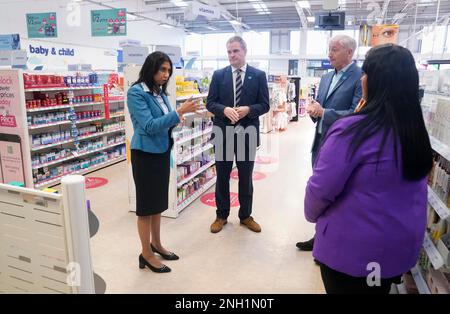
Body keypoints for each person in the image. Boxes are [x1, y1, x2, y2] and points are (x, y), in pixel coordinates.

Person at [304, 44, 433, 293]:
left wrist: (311, 216)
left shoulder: (352, 131)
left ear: (376, 83)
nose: (362, 79)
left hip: (353, 252)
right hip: (396, 250)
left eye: (366, 74)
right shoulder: (415, 132)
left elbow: (320, 190)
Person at [127, 51, 199, 273]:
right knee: (145, 207)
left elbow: (163, 123)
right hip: (145, 155)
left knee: (157, 203)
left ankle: (156, 244)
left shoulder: (160, 93)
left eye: (168, 71)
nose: (165, 75)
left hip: (161, 152)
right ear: (151, 69)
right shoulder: (136, 93)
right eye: (162, 70)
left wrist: (177, 120)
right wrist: (177, 113)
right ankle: (145, 253)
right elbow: (148, 126)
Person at [296, 35, 362, 251]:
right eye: (329, 49)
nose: (329, 54)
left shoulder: (359, 77)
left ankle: (334, 241)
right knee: (321, 190)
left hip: (342, 146)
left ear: (349, 52)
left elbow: (356, 114)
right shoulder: (325, 78)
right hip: (320, 141)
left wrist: (325, 112)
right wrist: (315, 111)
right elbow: (320, 109)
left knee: (339, 194)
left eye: (334, 49)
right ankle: (320, 237)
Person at [206, 36, 269, 233]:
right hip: (223, 132)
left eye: (235, 51)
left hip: (247, 133)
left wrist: (248, 109)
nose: (232, 55)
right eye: (229, 52)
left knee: (245, 176)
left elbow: (265, 104)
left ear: (244, 51)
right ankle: (221, 215)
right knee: (222, 176)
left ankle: (246, 216)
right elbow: (210, 103)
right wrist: (224, 110)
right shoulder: (218, 75)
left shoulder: (258, 75)